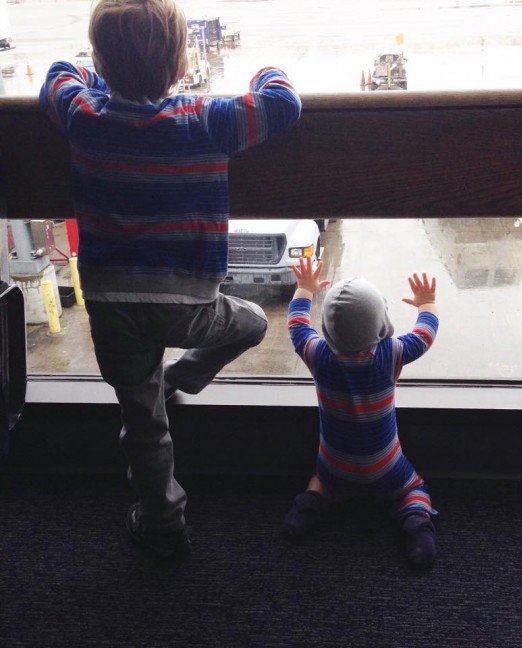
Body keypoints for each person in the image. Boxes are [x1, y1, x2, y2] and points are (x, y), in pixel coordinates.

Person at [39, 0, 301, 559]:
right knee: (252, 323)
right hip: (189, 304)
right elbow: (284, 103)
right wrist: (264, 69)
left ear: (102, 63)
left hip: (111, 306)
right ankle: (185, 375)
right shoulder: (206, 119)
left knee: (144, 423)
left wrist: (93, 71)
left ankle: (161, 520)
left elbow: (57, 76)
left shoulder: (86, 117)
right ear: (183, 64)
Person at [284, 257, 440, 569]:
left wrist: (305, 289)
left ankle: (309, 504)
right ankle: (416, 524)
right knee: (415, 488)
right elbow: (426, 334)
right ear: (382, 326)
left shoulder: (317, 355)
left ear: (327, 329)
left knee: (320, 480)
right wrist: (428, 303)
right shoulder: (390, 355)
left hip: (334, 466)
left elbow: (297, 323)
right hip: (385, 469)